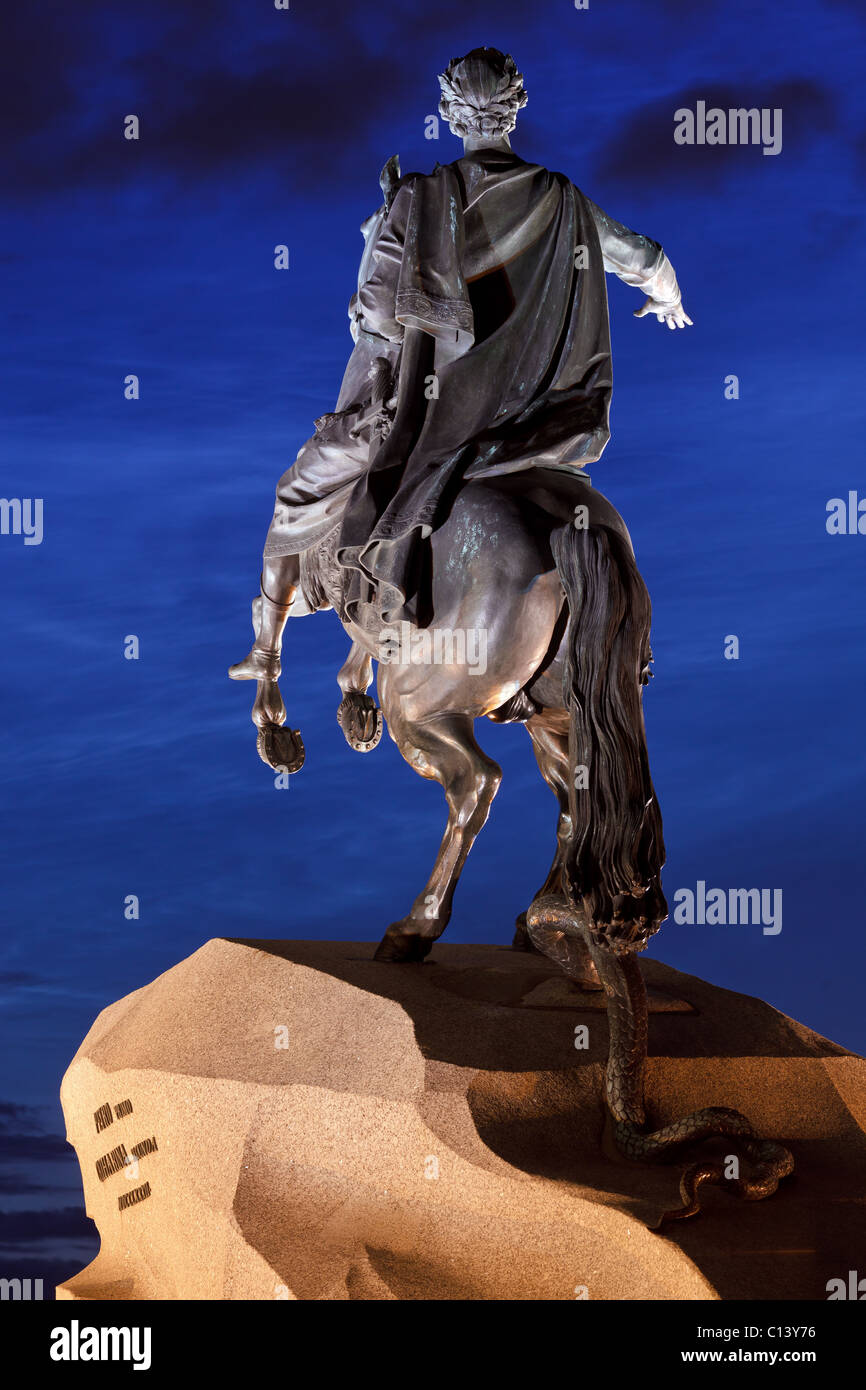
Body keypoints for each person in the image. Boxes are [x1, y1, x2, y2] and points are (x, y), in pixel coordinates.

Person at [230, 46, 691, 720]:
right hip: (541, 423)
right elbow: (646, 257)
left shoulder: (419, 200)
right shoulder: (560, 199)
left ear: (449, 113)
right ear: (515, 110)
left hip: (433, 420)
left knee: (294, 492)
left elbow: (381, 325)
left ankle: (266, 655)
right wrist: (667, 297)